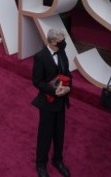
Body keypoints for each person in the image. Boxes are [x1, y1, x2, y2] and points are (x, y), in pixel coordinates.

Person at [32, 28, 72, 177]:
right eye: (62, 40)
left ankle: (57, 160)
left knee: (59, 133)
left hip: (61, 102)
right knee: (45, 134)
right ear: (53, 41)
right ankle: (41, 164)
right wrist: (53, 91)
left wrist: (68, 89)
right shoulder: (40, 56)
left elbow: (68, 75)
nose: (64, 43)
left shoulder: (62, 53)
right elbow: (37, 81)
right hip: (47, 103)